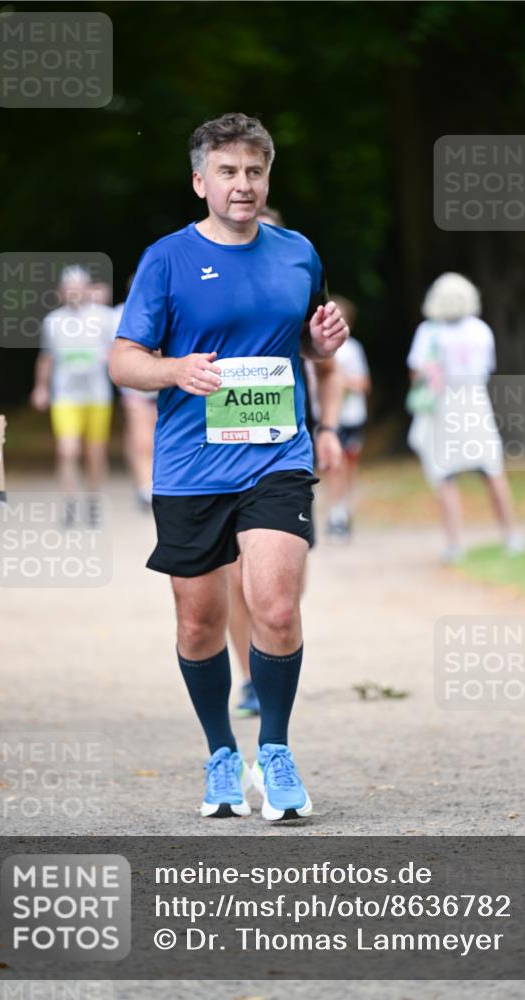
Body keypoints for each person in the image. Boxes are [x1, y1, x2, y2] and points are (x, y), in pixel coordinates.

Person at [109, 113, 348, 820]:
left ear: (265, 178)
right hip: (190, 466)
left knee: (275, 605)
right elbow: (123, 360)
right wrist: (173, 368)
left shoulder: (297, 252)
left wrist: (324, 339)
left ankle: (273, 752)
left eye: (253, 171)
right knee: (198, 623)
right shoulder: (167, 259)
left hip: (276, 455)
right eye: (227, 171)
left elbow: (308, 341)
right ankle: (220, 755)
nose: (241, 184)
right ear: (199, 181)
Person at [230, 206, 343, 718]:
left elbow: (327, 368)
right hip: (224, 452)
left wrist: (329, 429)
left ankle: (275, 638)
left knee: (285, 579)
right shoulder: (216, 291)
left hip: (286, 449)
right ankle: (250, 676)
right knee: (234, 572)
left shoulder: (293, 282)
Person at [406, 271, 525, 563]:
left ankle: (455, 544)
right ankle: (511, 535)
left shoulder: (429, 331)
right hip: (475, 403)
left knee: (445, 475)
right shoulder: (481, 329)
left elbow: (416, 372)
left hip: (444, 406)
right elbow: (488, 367)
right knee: (492, 470)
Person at [30, 266, 115, 526]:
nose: (74, 293)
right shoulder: (53, 321)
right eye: (69, 289)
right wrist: (41, 387)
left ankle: (93, 501)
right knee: (68, 450)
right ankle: (68, 503)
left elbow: (123, 351)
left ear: (87, 290)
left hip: (97, 395)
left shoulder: (105, 317)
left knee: (95, 452)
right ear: (61, 292)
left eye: (79, 288)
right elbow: (46, 358)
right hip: (65, 395)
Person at [309, 295, 371, 541]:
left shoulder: (353, 349)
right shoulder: (312, 349)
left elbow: (363, 384)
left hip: (351, 417)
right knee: (331, 466)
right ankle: (335, 513)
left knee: (346, 466)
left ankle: (341, 510)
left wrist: (341, 380)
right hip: (323, 416)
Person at [114, 275, 159, 511]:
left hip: (165, 385)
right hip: (136, 388)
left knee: (156, 438)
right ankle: (144, 488)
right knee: (142, 439)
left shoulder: (169, 308)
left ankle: (156, 483)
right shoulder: (119, 315)